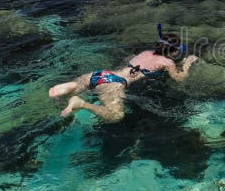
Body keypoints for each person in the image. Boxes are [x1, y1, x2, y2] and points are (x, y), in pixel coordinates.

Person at [48, 30, 198, 122]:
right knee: (116, 116)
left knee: (81, 86)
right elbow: (179, 78)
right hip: (115, 84)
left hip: (102, 74)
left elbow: (127, 61)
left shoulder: (145, 52)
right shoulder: (167, 62)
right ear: (173, 51)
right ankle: (82, 104)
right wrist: (186, 64)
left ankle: (73, 87)